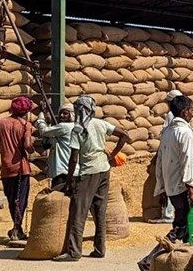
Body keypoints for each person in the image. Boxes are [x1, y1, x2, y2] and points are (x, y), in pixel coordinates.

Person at [54, 95, 130, 262]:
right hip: (104, 170)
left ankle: (74, 252)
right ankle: (100, 248)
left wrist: (68, 181)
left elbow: (74, 158)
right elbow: (124, 135)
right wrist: (113, 155)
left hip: (88, 172)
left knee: (78, 212)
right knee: (99, 211)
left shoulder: (78, 129)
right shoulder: (100, 123)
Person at [0, 95, 35, 242]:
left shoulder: (0, 122)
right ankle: (16, 229)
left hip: (6, 168)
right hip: (21, 167)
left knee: (11, 198)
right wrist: (32, 150)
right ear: (25, 112)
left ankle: (17, 228)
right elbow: (27, 145)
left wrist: (3, 148)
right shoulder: (25, 124)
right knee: (20, 200)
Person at [152, 93, 193, 242]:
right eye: (191, 109)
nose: (192, 113)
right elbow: (187, 161)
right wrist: (191, 190)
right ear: (184, 111)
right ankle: (150, 260)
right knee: (181, 226)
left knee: (182, 226)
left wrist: (161, 188)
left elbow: (160, 161)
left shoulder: (167, 132)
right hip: (181, 186)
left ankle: (181, 257)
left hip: (170, 186)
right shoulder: (184, 132)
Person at [34, 101, 75, 192]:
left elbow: (44, 131)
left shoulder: (64, 127)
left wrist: (41, 118)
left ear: (72, 114)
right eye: (60, 113)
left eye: (65, 113)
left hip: (62, 171)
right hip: (72, 171)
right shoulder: (75, 127)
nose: (61, 116)